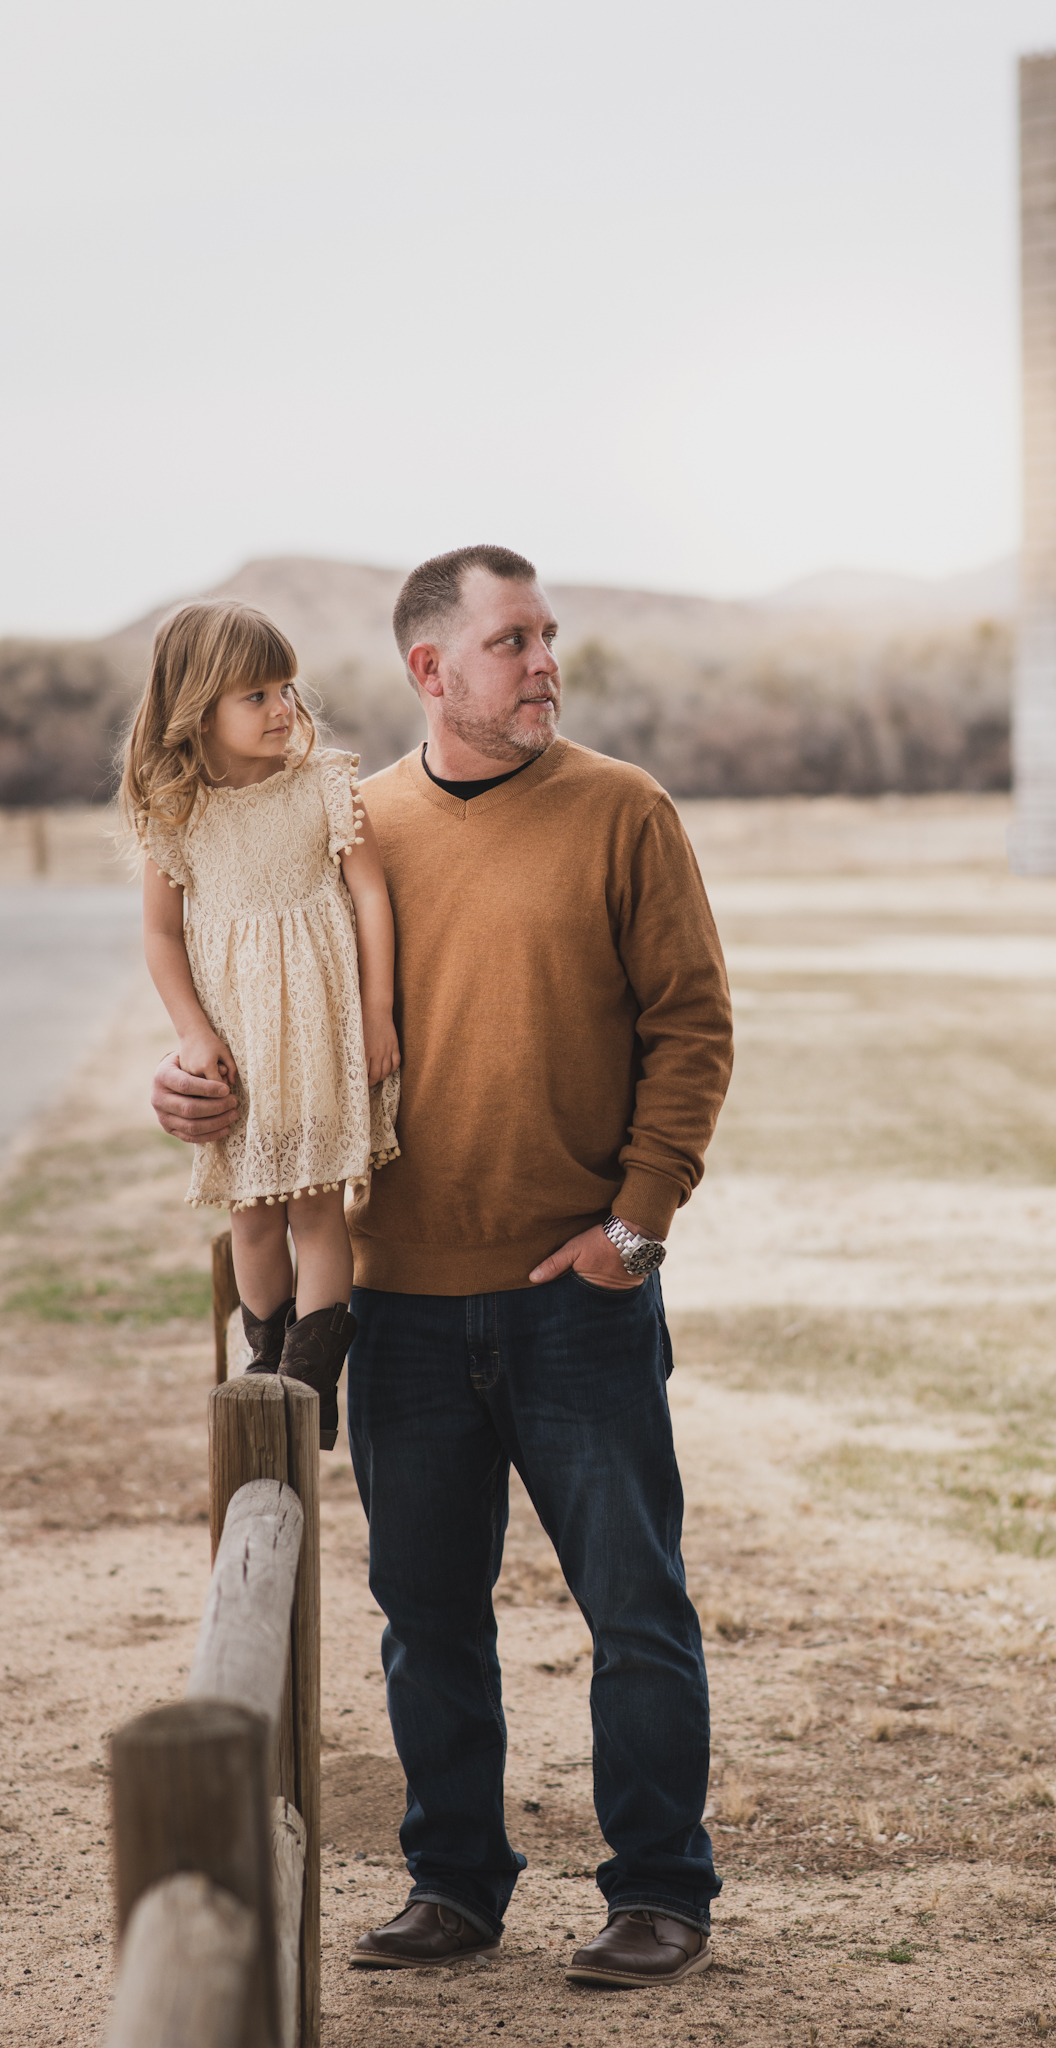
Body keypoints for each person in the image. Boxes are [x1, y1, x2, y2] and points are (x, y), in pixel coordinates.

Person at [150, 545, 734, 1992]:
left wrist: (635, 1224)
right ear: (431, 670)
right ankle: (454, 1884)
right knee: (425, 1621)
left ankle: (657, 1889)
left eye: (547, 636)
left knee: (635, 1611)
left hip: (573, 1301)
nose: (544, 661)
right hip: (396, 1306)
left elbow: (692, 1028)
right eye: (512, 641)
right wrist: (190, 1089)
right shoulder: (339, 818)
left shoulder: (620, 811)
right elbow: (233, 989)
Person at [124, 600, 401, 1445]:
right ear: (197, 708)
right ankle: (266, 1363)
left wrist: (379, 1012)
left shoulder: (322, 785)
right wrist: (193, 1033)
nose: (283, 708)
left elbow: (370, 895)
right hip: (241, 1044)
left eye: (285, 688)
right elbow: (161, 937)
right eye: (256, 695)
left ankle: (310, 1386)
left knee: (318, 1207)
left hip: (321, 1034)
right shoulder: (177, 812)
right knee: (251, 1209)